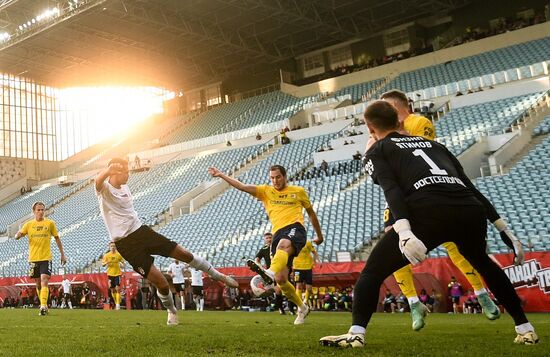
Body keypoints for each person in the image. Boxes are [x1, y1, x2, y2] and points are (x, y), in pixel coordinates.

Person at [320, 100, 537, 347]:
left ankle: (356, 334)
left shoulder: (378, 149)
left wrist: (403, 231)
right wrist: (503, 228)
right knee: (484, 264)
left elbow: (392, 190)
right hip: (468, 209)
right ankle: (525, 328)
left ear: (369, 127)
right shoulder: (437, 145)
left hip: (429, 211)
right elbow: (469, 186)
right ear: (400, 121)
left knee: (372, 272)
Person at [379, 89, 501, 331]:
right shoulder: (384, 131)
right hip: (400, 196)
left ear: (398, 107)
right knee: (395, 245)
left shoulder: (419, 122)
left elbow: (423, 152)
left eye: (387, 108)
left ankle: (481, 293)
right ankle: (414, 303)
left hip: (430, 190)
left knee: (455, 246)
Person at [95, 157, 238, 325]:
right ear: (115, 172)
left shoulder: (126, 188)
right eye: (125, 171)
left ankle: (218, 275)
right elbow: (97, 182)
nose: (128, 175)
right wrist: (108, 171)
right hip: (126, 245)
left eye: (128, 171)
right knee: (162, 284)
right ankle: (172, 311)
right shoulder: (104, 189)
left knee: (184, 253)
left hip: (141, 232)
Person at [208, 164, 324, 325]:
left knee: (283, 246)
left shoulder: (298, 192)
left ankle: (268, 272)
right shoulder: (265, 191)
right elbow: (241, 186)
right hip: (278, 234)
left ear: (285, 176)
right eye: (272, 178)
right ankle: (302, 307)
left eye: (278, 177)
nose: (275, 181)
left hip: (295, 229)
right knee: (282, 280)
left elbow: (311, 214)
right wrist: (221, 175)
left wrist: (319, 235)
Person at [14, 201, 67, 316]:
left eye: (43, 209)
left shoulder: (50, 223)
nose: (41, 212)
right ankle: (44, 304)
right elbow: (20, 233)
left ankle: (42, 306)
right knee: (38, 285)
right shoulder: (28, 225)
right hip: (33, 259)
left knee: (44, 281)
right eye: (38, 210)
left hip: (46, 258)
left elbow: (57, 238)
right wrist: (17, 235)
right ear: (34, 211)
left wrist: (62, 254)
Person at [255, 232, 285, 315]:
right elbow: (257, 259)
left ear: (273, 238)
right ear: (264, 240)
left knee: (285, 289)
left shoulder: (277, 247)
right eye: (267, 238)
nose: (269, 239)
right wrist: (261, 268)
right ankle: (281, 308)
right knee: (278, 290)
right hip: (271, 272)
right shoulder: (264, 249)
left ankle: (292, 306)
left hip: (281, 269)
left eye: (270, 237)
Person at [293, 240, 320, 308]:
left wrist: (317, 261)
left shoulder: (308, 242)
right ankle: (299, 304)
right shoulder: (292, 242)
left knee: (309, 288)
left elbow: (314, 252)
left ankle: (305, 301)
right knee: (298, 286)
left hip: (308, 267)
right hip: (297, 267)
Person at [102, 242, 125, 310]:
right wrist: (106, 262)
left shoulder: (118, 255)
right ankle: (116, 303)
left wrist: (122, 264)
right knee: (112, 290)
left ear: (116, 247)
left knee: (117, 289)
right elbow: (103, 264)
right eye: (111, 246)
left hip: (117, 273)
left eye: (114, 246)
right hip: (110, 274)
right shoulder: (106, 255)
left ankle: (118, 304)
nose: (113, 247)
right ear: (109, 247)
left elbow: (123, 263)